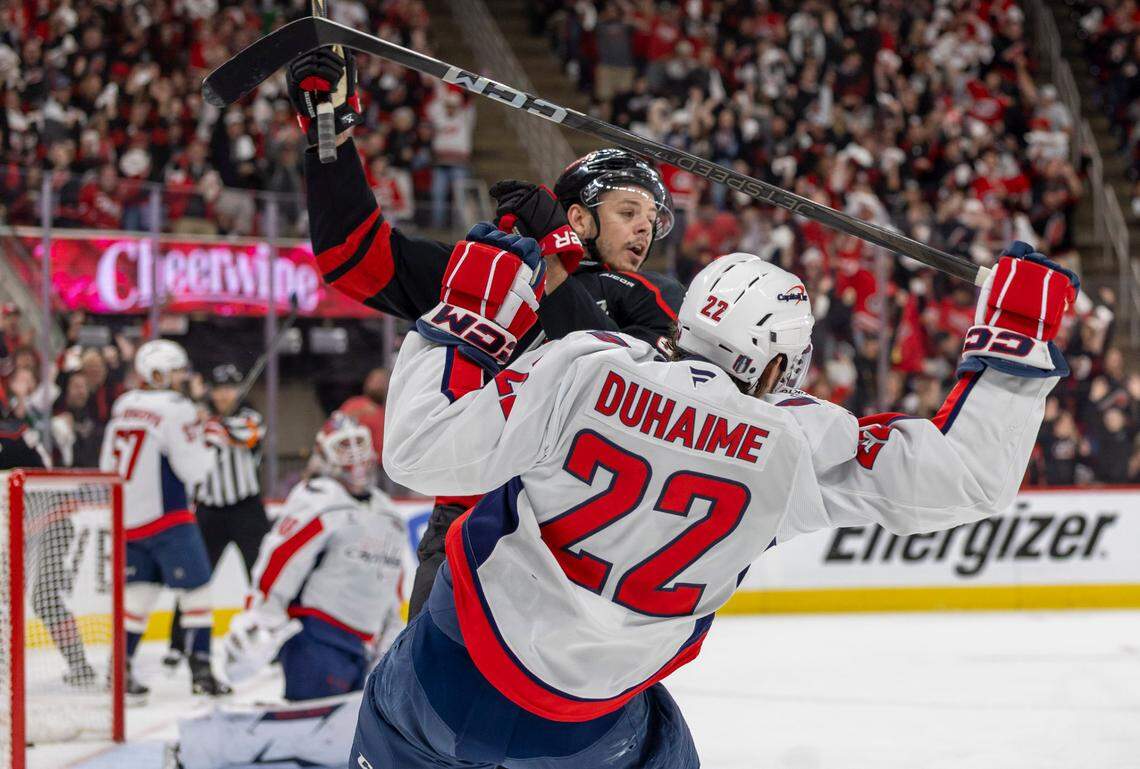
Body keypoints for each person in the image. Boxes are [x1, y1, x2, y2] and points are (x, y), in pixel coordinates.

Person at [350, 231, 1076, 768]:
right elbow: (967, 473)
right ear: (774, 358)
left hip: (444, 675)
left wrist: (468, 315)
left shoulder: (585, 364)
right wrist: (1013, 344)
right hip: (585, 732)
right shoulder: (795, 440)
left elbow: (418, 448)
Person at [288, 47, 685, 618]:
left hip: (575, 544)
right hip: (462, 528)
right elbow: (355, 258)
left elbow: (626, 386)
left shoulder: (657, 301)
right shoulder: (492, 273)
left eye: (652, 222)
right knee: (424, 704)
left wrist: (552, 274)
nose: (645, 229)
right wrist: (331, 141)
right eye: (629, 212)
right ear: (578, 217)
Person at [166, 414, 405, 769]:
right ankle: (199, 752)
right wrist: (262, 615)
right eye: (343, 445)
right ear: (324, 453)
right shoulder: (320, 499)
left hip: (360, 646)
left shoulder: (389, 514)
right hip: (317, 640)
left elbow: (391, 583)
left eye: (358, 443)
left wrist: (388, 642)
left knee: (341, 743)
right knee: (313, 744)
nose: (353, 455)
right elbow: (281, 557)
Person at [98, 339, 231, 699]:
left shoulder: (124, 404)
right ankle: (201, 670)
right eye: (175, 371)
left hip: (126, 517)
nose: (181, 378)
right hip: (166, 518)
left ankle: (120, 668)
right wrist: (213, 441)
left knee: (139, 595)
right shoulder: (177, 407)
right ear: (157, 373)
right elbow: (194, 469)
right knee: (198, 593)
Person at [165, 364, 271, 671]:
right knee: (195, 578)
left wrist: (212, 424)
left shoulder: (250, 416)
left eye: (230, 388)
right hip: (209, 511)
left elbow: (247, 435)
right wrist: (202, 420)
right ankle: (177, 643)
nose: (225, 395)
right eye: (220, 388)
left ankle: (273, 638)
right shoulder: (195, 417)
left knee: (265, 577)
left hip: (246, 509)